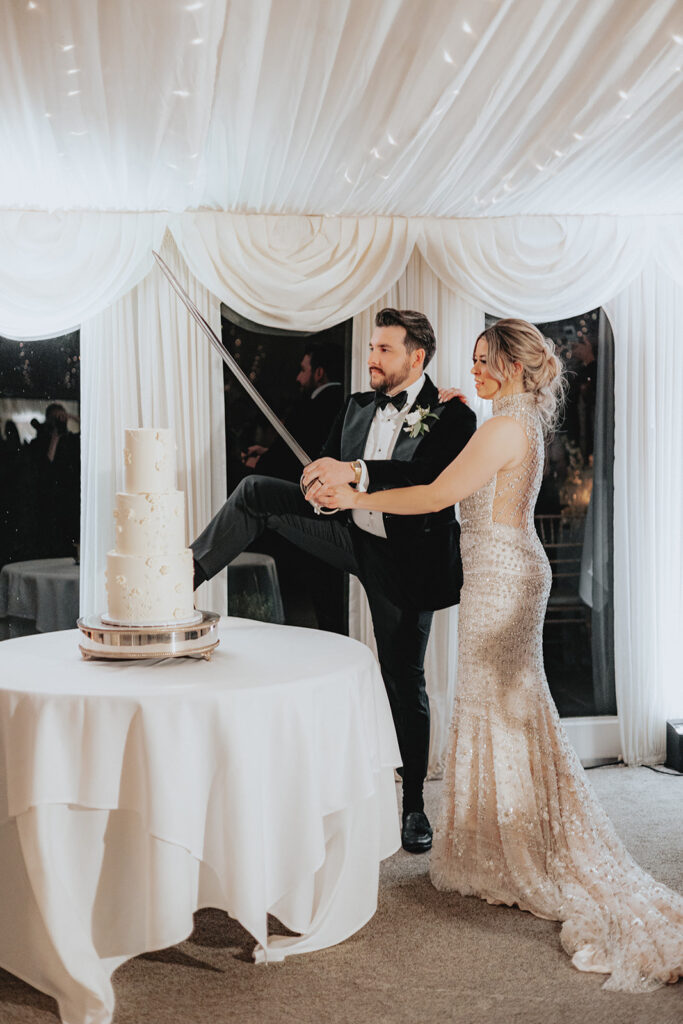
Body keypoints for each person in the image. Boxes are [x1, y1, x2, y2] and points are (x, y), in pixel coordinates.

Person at [306, 318, 683, 992]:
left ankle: (517, 844)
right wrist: (465, 408)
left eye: (484, 362)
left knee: (503, 705)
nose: (473, 370)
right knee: (506, 706)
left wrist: (356, 495)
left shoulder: (502, 429)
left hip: (501, 575)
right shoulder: (511, 420)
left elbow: (435, 495)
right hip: (502, 568)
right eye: (472, 360)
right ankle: (501, 835)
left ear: (511, 365)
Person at [192, 308, 476, 851]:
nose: (371, 358)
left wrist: (353, 473)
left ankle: (413, 802)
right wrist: (319, 485)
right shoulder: (355, 406)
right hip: (353, 537)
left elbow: (421, 479)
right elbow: (332, 469)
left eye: (385, 350)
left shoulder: (452, 415)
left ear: (417, 358)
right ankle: (184, 576)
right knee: (255, 493)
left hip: (406, 560)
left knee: (403, 679)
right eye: (371, 347)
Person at [242, 341, 344, 481]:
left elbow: (293, 458)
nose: (298, 378)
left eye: (303, 370)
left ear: (319, 373)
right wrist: (266, 452)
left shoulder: (313, 408)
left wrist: (258, 463)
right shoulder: (340, 401)